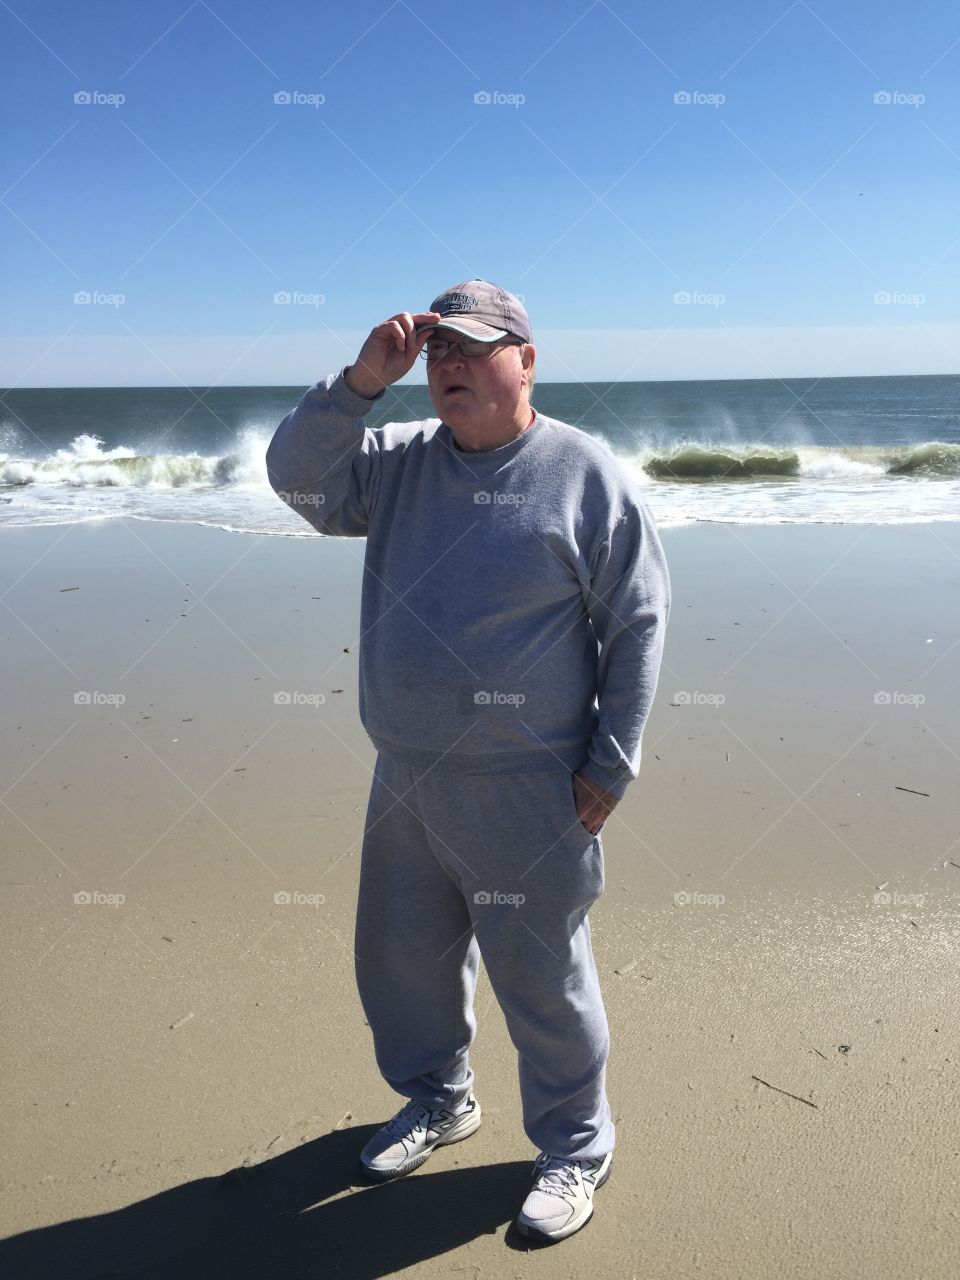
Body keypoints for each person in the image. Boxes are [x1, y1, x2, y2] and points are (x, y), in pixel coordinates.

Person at [266, 279, 670, 1244]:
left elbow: (638, 623)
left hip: (529, 792)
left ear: (525, 361)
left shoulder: (584, 473)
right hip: (405, 776)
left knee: (542, 978)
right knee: (401, 963)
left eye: (471, 348)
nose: (447, 365)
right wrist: (362, 382)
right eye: (435, 350)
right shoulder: (399, 466)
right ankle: (440, 1098)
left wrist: (609, 769)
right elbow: (297, 478)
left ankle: (577, 1143)